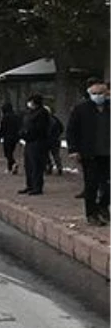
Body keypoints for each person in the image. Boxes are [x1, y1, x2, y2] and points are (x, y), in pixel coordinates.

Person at [66, 79, 111, 226]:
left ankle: (103, 206)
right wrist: (73, 149)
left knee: (108, 184)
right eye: (95, 93)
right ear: (89, 93)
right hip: (89, 153)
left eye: (101, 93)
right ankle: (91, 214)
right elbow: (72, 130)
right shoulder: (81, 109)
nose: (98, 96)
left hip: (108, 153)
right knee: (91, 184)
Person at [20, 95, 50, 196]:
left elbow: (39, 129)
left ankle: (37, 187)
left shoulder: (42, 113)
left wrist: (28, 133)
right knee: (28, 165)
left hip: (38, 142)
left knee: (36, 165)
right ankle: (30, 185)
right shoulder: (29, 113)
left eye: (31, 102)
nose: (29, 104)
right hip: (29, 142)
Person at [0, 102, 22, 174]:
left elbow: (2, 128)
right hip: (15, 137)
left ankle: (13, 164)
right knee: (10, 152)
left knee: (7, 153)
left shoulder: (5, 117)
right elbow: (19, 127)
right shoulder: (16, 117)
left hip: (7, 137)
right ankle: (10, 167)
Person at [45, 106, 65, 175]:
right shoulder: (55, 119)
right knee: (56, 154)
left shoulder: (45, 120)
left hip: (47, 140)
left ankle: (49, 167)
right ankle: (59, 167)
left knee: (46, 155)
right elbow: (61, 128)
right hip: (55, 140)